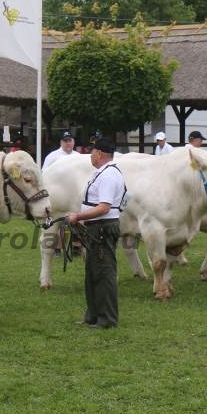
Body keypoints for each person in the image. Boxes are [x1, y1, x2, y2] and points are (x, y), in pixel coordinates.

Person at [67, 137, 126, 329]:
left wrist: (78, 216)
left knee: (104, 273)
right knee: (93, 272)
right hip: (97, 227)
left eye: (92, 151)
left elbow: (104, 207)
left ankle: (107, 319)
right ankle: (93, 315)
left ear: (99, 153)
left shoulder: (108, 175)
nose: (90, 155)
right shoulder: (103, 173)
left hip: (102, 227)